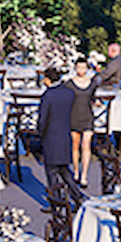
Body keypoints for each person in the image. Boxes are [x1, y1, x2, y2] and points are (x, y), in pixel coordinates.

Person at [38, 65, 85, 209]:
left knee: (52, 173)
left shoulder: (48, 95)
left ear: (48, 79)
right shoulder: (69, 93)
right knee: (65, 171)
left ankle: (56, 203)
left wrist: (40, 133)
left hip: (51, 137)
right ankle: (78, 197)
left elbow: (43, 119)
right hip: (65, 135)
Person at [67, 56, 98, 186]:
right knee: (75, 145)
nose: (81, 70)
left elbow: (93, 97)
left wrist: (97, 103)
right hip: (74, 116)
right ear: (75, 68)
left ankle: (84, 174)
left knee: (86, 145)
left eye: (83, 67)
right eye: (79, 67)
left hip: (87, 117)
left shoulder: (92, 83)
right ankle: (76, 171)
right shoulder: (69, 83)